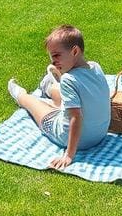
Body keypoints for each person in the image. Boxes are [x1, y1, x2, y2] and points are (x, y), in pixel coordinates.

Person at [7, 25, 111, 170]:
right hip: (99, 135)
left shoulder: (69, 79)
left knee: (31, 102)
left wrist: (69, 154)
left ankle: (21, 93)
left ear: (75, 51)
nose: (53, 60)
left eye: (56, 56)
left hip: (71, 137)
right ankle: (50, 85)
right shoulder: (95, 67)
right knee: (66, 96)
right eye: (51, 57)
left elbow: (76, 118)